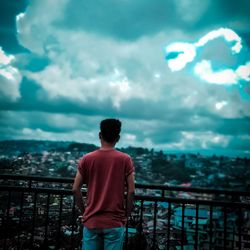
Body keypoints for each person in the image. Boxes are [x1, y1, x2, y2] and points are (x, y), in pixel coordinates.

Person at [72, 118, 135, 250]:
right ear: (118, 138)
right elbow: (131, 191)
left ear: (100, 135)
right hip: (114, 222)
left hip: (92, 221)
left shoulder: (87, 159)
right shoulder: (125, 159)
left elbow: (75, 189)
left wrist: (85, 213)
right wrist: (126, 215)